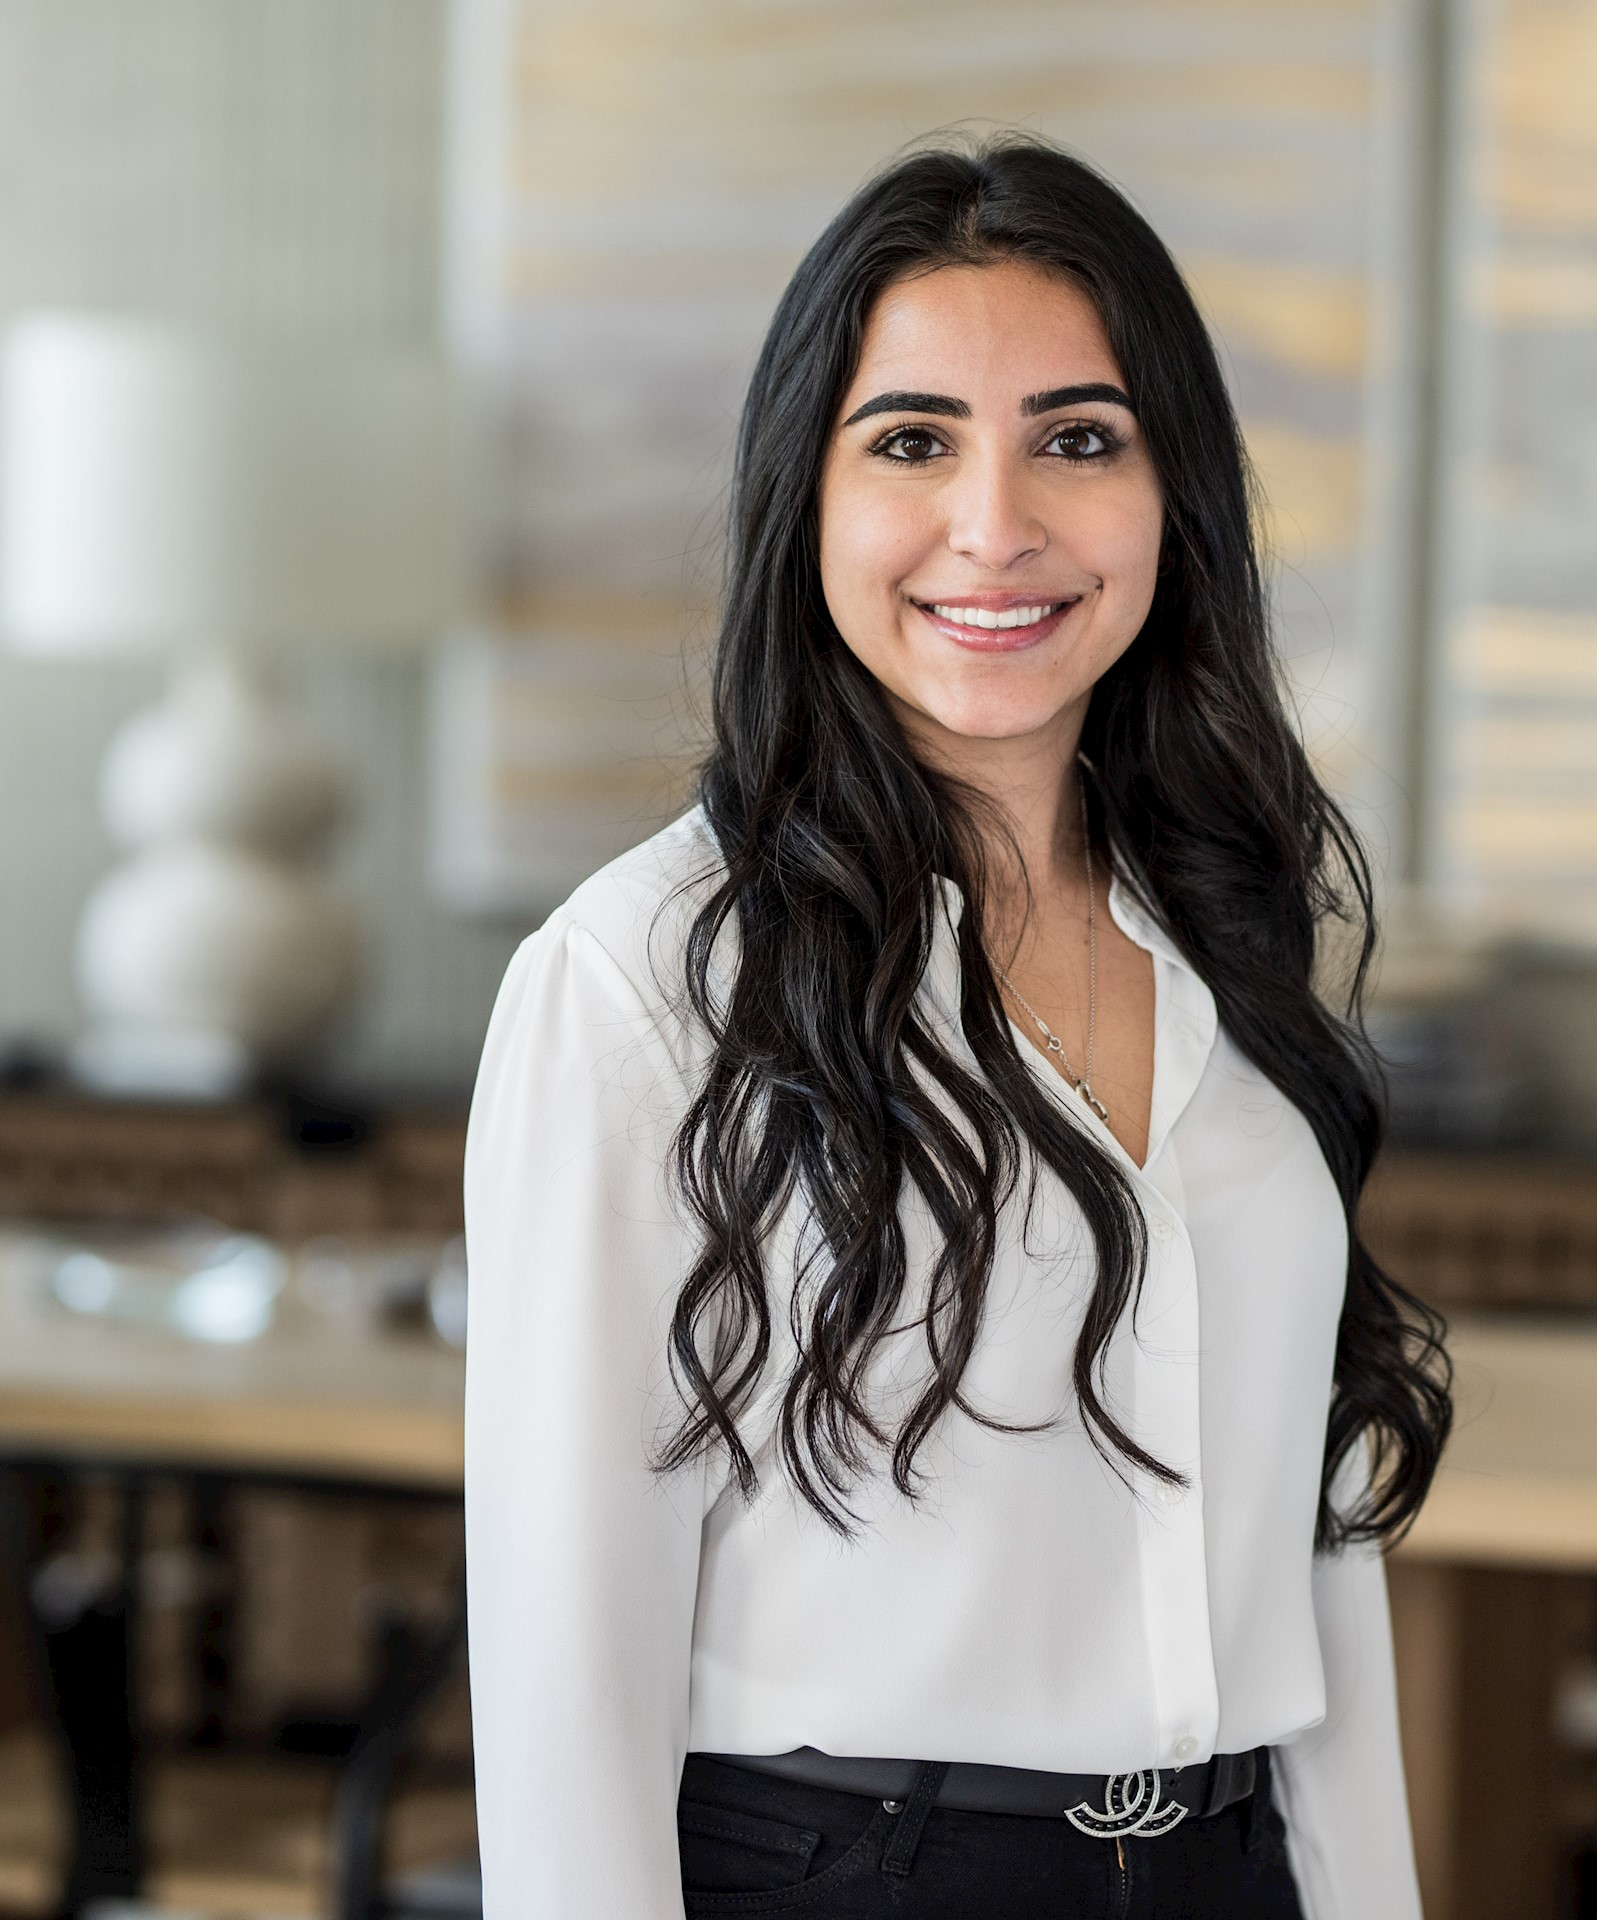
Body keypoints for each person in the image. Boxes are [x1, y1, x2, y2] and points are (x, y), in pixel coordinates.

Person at [464, 136, 1450, 1919]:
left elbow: (1314, 1542)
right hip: (852, 1875)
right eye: (911, 441)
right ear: (808, 496)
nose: (996, 525)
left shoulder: (1224, 935)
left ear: (1175, 498)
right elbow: (565, 1668)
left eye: (1078, 439)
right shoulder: (641, 983)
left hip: (1236, 1870)